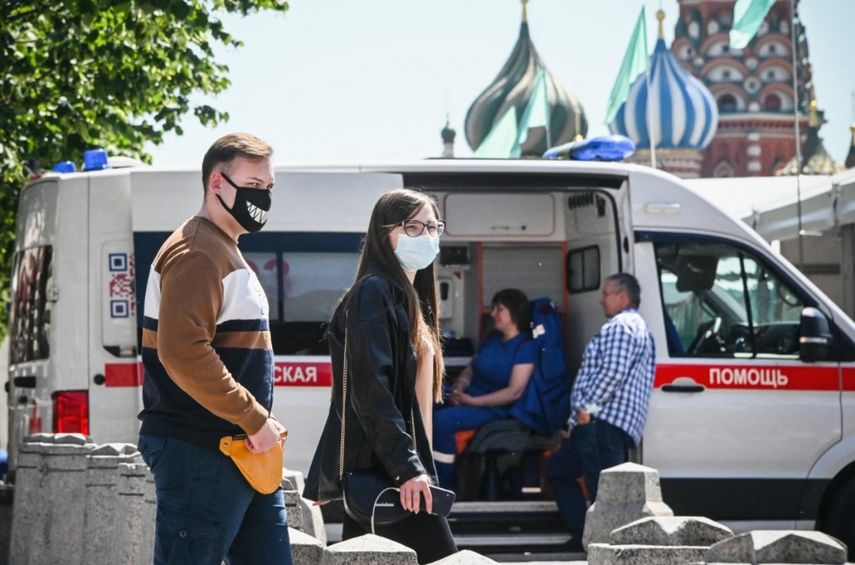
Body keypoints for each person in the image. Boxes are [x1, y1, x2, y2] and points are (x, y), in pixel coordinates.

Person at [137, 133, 292, 564]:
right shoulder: (199, 251)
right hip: (204, 451)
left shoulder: (220, 247)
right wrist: (253, 416)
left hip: (238, 450)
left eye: (268, 187)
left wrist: (255, 423)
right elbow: (184, 351)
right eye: (253, 184)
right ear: (217, 184)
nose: (262, 196)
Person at [303, 188, 457, 564]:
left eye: (433, 227)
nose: (427, 236)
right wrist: (409, 469)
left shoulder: (404, 295)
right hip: (389, 472)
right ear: (385, 233)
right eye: (414, 227)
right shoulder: (375, 292)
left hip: (390, 470)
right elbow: (372, 392)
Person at [546, 273, 655, 551]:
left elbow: (613, 372)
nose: (601, 299)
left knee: (601, 491)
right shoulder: (636, 326)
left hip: (601, 422)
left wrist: (587, 410)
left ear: (623, 297)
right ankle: (586, 537)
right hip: (602, 424)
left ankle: (602, 546)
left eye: (606, 293)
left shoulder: (621, 325)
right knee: (562, 470)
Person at [432, 289, 536, 489]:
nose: (493, 313)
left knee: (440, 421)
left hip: (493, 408)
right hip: (468, 397)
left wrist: (472, 402)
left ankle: (443, 485)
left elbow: (514, 391)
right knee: (427, 399)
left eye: (500, 309)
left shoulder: (525, 346)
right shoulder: (493, 339)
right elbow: (471, 368)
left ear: (515, 312)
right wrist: (459, 387)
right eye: (494, 308)